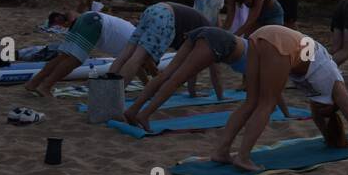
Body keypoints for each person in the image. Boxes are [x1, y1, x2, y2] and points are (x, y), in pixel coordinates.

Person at [209, 25, 348, 171]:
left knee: (251, 102)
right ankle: (242, 157)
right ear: (334, 106)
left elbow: (319, 117)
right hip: (280, 42)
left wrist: (328, 137)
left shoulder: (319, 97)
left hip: (262, 36)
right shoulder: (337, 85)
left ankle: (221, 151)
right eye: (324, 108)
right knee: (266, 105)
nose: (318, 108)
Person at [123, 26, 289, 133]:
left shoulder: (259, 55)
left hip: (204, 32)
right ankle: (144, 114)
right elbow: (275, 92)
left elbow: (274, 92)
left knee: (167, 76)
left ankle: (133, 110)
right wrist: (287, 114)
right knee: (175, 80)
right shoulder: (266, 62)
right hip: (220, 42)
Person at [109, 1, 216, 93]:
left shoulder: (202, 30)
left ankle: (106, 91)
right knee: (137, 58)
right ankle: (115, 97)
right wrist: (220, 97)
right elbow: (211, 70)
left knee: (125, 54)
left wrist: (192, 93)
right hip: (165, 17)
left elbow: (192, 65)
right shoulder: (211, 40)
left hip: (153, 10)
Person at [25, 9, 134, 96]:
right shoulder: (141, 45)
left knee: (64, 57)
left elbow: (138, 66)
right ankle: (46, 86)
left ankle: (33, 83)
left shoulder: (136, 34)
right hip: (96, 23)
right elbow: (141, 64)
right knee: (75, 60)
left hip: (88, 18)